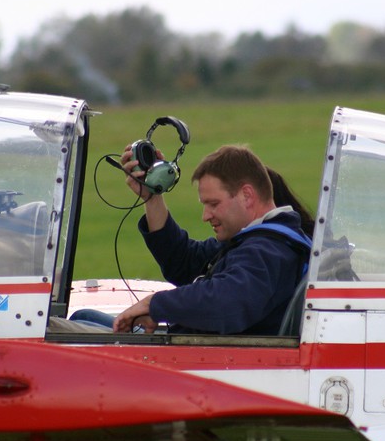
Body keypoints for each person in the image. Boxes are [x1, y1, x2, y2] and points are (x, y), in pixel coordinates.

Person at [108, 144, 311, 335]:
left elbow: (228, 302)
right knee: (84, 317)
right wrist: (152, 197)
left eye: (213, 204)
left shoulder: (268, 251)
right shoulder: (256, 241)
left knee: (79, 325)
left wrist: (154, 304)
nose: (205, 216)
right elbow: (183, 261)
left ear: (247, 195)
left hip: (210, 365)